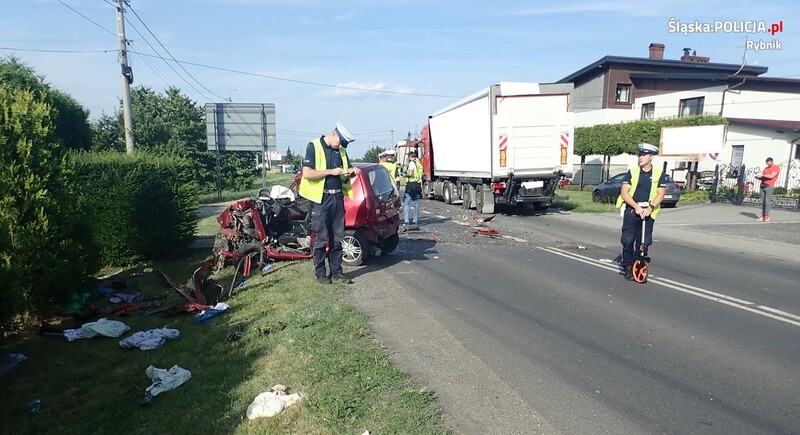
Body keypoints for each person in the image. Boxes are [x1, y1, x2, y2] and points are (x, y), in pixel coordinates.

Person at [299, 122, 360, 284]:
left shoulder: (341, 151)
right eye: (340, 141)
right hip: (321, 199)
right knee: (321, 238)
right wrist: (331, 172)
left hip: (337, 198)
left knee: (338, 237)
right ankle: (320, 273)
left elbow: (346, 170)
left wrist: (352, 172)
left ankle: (336, 272)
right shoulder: (313, 146)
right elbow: (307, 173)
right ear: (334, 134)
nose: (340, 146)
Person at [616, 143, 667, 281]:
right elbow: (624, 193)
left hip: (648, 211)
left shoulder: (658, 173)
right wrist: (637, 207)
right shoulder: (632, 172)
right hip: (633, 210)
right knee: (628, 240)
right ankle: (628, 266)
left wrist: (650, 208)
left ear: (651, 157)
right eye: (640, 155)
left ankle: (638, 264)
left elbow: (661, 194)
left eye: (644, 155)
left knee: (644, 241)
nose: (640, 157)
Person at [755, 157, 780, 222]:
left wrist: (763, 175)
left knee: (767, 201)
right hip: (763, 185)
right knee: (763, 201)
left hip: (769, 186)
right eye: (767, 164)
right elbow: (762, 174)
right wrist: (758, 176)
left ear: (772, 162)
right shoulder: (766, 168)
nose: (768, 165)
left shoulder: (776, 167)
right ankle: (762, 215)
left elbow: (772, 176)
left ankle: (766, 216)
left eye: (769, 164)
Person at [403, 150, 423, 229]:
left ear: (410, 157)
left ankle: (406, 221)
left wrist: (405, 174)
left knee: (406, 203)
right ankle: (415, 221)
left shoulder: (412, 163)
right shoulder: (419, 164)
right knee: (416, 203)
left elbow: (410, 173)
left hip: (411, 184)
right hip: (417, 185)